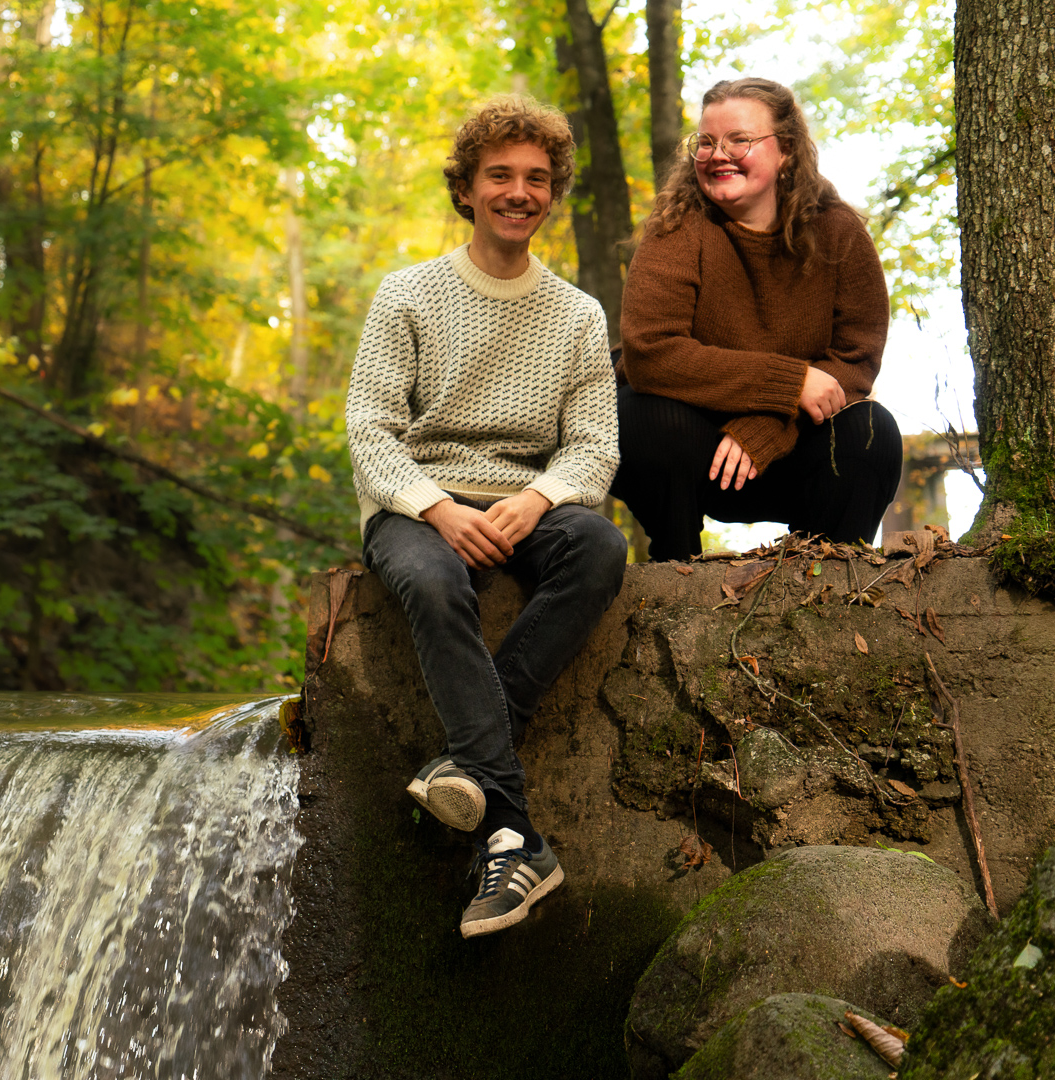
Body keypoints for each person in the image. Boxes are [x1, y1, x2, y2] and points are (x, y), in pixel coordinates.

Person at [345, 96, 626, 939]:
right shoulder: (409, 295)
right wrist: (434, 507)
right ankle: (512, 832)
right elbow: (368, 428)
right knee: (433, 586)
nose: (519, 191)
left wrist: (535, 498)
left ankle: (467, 762)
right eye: (499, 175)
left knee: (599, 545)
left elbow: (594, 448)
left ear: (552, 194)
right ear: (465, 190)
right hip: (415, 500)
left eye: (536, 179)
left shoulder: (577, 315)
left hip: (523, 504)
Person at [611, 77, 903, 562]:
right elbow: (651, 353)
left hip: (793, 450)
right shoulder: (678, 227)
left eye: (739, 140)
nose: (717, 154)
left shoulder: (838, 233)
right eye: (705, 143)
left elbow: (855, 361)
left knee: (872, 431)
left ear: (785, 150)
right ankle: (674, 573)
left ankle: (822, 582)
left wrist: (771, 424)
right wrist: (788, 384)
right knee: (645, 415)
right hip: (692, 451)